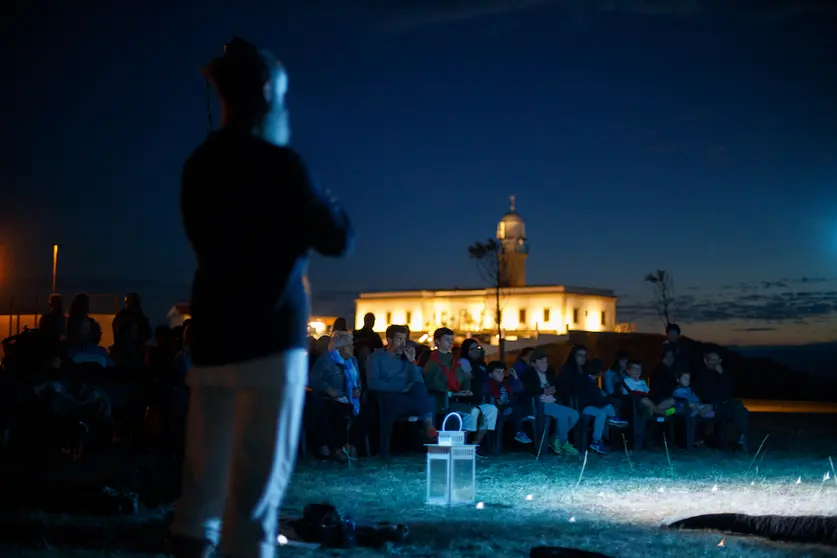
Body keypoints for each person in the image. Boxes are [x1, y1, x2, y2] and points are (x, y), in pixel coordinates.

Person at [170, 37, 353, 558]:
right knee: (251, 507)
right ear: (270, 93)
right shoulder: (283, 166)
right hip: (271, 345)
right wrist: (318, 191)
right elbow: (338, 236)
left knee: (200, 493)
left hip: (212, 340)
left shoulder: (198, 164)